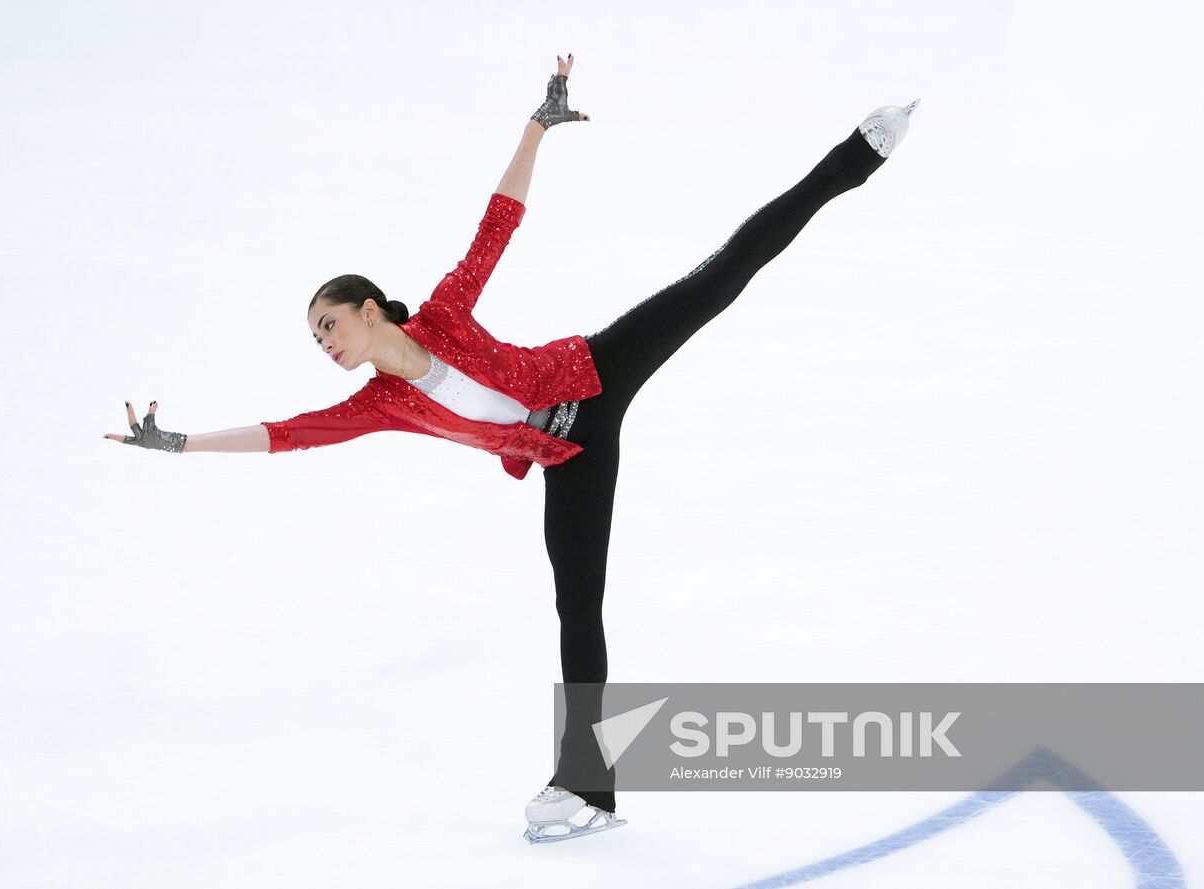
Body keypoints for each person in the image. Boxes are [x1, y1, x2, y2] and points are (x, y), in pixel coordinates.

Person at [105, 54, 919, 843]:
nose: (326, 342)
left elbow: (497, 223)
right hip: (571, 458)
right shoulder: (381, 403)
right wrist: (178, 443)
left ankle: (859, 154)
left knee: (722, 273)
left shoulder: (444, 314)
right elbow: (285, 434)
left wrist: (538, 125)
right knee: (578, 609)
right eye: (317, 338)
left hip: (595, 373)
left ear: (369, 310)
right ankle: (591, 787)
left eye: (329, 324)